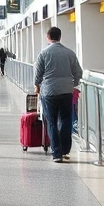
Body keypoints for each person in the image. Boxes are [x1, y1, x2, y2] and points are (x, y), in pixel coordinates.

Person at [33, 26, 83, 163]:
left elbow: (38, 73)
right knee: (66, 120)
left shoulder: (44, 53)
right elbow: (78, 72)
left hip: (49, 92)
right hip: (66, 91)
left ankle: (57, 153)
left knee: (52, 122)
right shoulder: (70, 53)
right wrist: (73, 84)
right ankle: (65, 150)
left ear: (48, 37)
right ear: (60, 37)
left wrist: (37, 85)